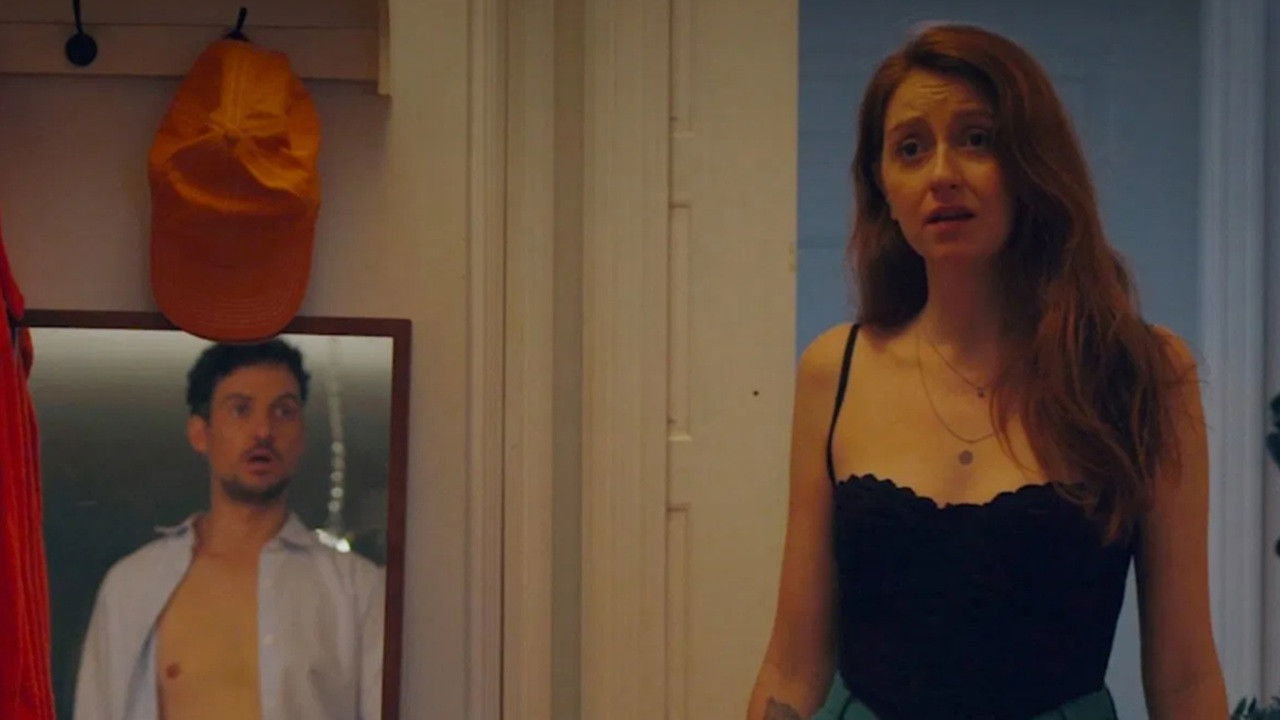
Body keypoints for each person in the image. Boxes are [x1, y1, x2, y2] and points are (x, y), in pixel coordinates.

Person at [747, 23, 1226, 720]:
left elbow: (1185, 680)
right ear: (883, 186)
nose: (942, 173)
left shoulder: (1143, 373)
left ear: (1033, 163)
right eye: (910, 148)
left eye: (977, 139)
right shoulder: (835, 370)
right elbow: (791, 669)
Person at [74, 340, 384, 720]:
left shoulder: (357, 590)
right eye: (241, 409)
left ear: (301, 434)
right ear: (200, 433)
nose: (263, 430)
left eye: (283, 411)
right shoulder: (132, 586)